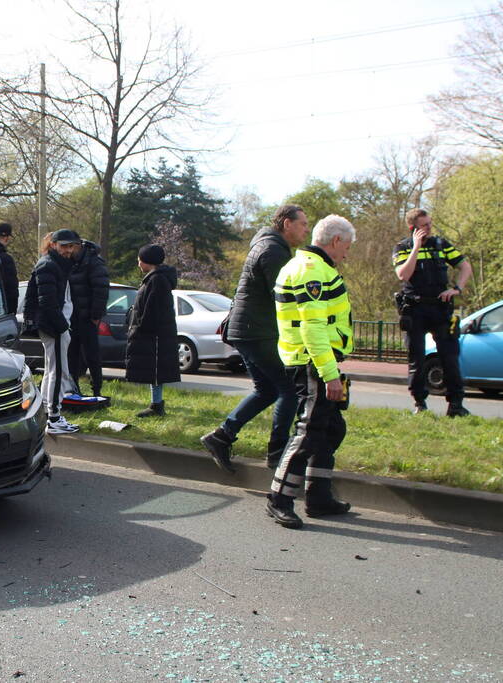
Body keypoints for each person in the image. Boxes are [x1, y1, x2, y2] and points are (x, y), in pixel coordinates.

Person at [200, 205, 309, 473]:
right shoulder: (273, 251)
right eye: (303, 224)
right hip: (256, 330)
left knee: (267, 390)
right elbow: (284, 298)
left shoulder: (267, 246)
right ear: (286, 223)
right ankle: (277, 455)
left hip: (247, 330)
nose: (306, 229)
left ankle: (221, 437)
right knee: (289, 390)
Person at [267, 215, 356, 529]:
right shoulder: (311, 271)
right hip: (313, 362)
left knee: (331, 430)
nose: (347, 253)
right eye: (347, 246)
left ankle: (318, 496)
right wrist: (329, 374)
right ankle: (279, 498)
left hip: (315, 361)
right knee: (308, 433)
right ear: (335, 241)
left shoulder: (310, 266)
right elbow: (313, 327)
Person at [394, 209, 472, 417]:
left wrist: (457, 289)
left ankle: (456, 405)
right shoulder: (403, 247)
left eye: (430, 223)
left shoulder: (441, 244)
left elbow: (465, 267)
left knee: (450, 357)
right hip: (415, 309)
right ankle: (420, 403)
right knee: (417, 359)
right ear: (413, 228)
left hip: (440, 308)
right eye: (424, 225)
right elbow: (403, 274)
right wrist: (416, 247)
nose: (429, 228)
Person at [24, 229, 82, 434]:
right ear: (53, 244)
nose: (68, 250)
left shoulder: (57, 264)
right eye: (64, 245)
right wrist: (62, 326)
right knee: (57, 372)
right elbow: (47, 302)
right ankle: (54, 419)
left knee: (52, 370)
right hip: (53, 326)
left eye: (71, 246)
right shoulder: (49, 264)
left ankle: (49, 412)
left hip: (56, 325)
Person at [124, 245, 180, 417]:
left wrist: (140, 329)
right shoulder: (154, 279)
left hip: (154, 336)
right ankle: (156, 403)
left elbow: (151, 311)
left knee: (155, 371)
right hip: (155, 334)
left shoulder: (157, 281)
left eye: (140, 259)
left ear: (148, 261)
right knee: (154, 371)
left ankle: (157, 405)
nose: (138, 263)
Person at [67, 236, 110, 397]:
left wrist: (95, 315)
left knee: (92, 355)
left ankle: (97, 389)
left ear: (79, 246)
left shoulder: (94, 262)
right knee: (72, 354)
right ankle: (73, 387)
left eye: (71, 247)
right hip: (73, 316)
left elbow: (101, 290)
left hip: (88, 317)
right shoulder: (73, 261)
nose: (69, 251)